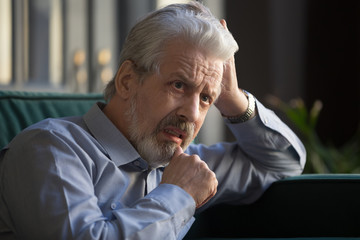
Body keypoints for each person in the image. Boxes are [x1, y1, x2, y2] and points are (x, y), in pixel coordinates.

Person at [0, 1, 306, 239]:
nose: (193, 114)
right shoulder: (50, 149)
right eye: (178, 85)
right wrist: (178, 195)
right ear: (127, 80)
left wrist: (232, 98)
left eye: (205, 99)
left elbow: (283, 163)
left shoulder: (187, 164)